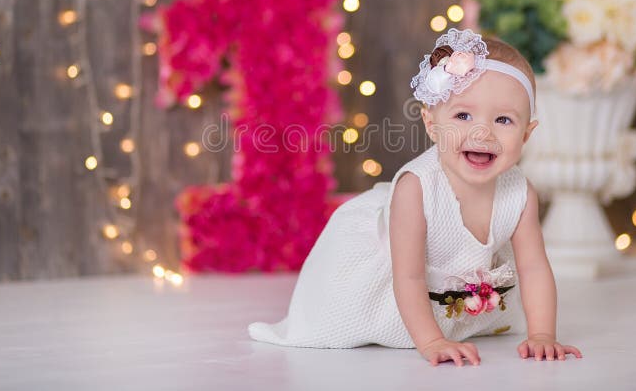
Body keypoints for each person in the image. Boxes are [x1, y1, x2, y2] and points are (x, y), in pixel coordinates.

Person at [248, 28, 582, 366]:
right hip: (390, 284)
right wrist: (432, 341)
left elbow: (534, 267)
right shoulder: (416, 188)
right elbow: (408, 276)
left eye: (504, 120)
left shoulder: (520, 193)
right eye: (463, 115)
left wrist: (542, 334)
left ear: (526, 134)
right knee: (349, 317)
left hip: (449, 291)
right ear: (432, 124)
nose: (482, 132)